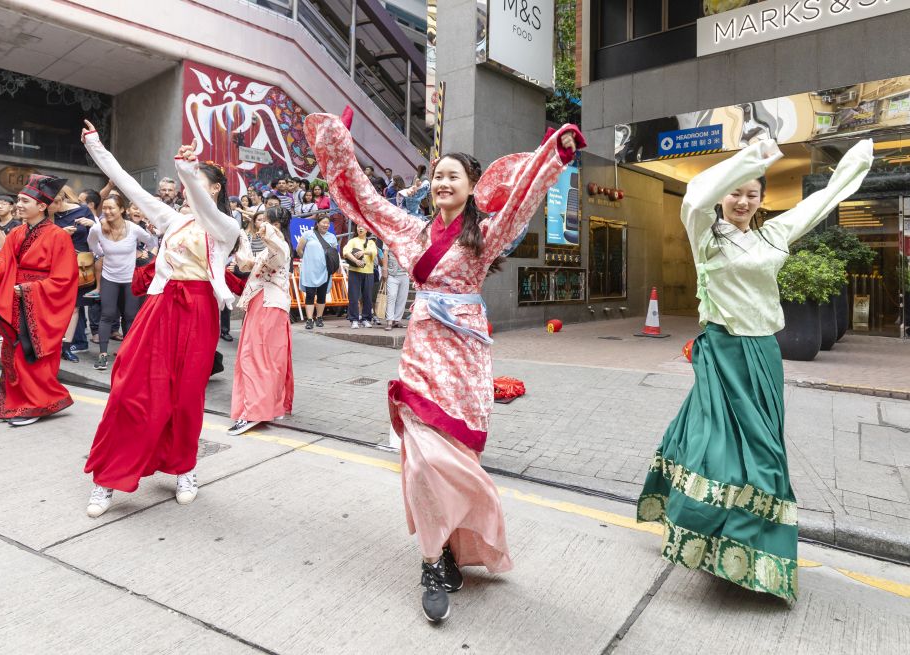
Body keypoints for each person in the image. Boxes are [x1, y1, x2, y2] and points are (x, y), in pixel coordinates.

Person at [305, 107, 584, 622]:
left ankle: (454, 547)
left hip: (465, 354)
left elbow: (522, 202)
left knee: (454, 456)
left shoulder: (487, 234)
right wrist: (337, 142)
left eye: (452, 175)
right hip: (419, 348)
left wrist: (554, 157)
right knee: (420, 457)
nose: (441, 182)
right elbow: (364, 198)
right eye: (436, 176)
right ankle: (431, 561)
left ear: (474, 186)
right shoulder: (410, 230)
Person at [636, 138, 873, 603]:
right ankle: (724, 541)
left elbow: (823, 200)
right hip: (722, 352)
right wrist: (752, 158)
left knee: (754, 447)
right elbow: (696, 195)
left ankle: (744, 549)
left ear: (763, 199)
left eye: (752, 194)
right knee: (719, 446)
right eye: (736, 192)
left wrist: (856, 161)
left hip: (764, 355)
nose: (743, 201)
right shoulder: (704, 234)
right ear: (724, 195)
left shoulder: (773, 235)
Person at [80, 121, 239, 518]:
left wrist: (188, 170)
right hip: (160, 308)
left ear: (214, 189)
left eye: (195, 182)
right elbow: (126, 185)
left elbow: (205, 210)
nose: (185, 191)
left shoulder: (226, 228)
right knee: (130, 391)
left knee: (186, 399)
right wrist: (96, 146)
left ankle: (184, 468)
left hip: (200, 312)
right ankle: (107, 478)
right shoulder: (171, 219)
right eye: (186, 182)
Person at [0, 175, 78, 426]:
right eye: (18, 200)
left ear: (42, 206)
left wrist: (31, 289)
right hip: (16, 297)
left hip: (39, 301)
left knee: (32, 353)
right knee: (13, 352)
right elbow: (3, 261)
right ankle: (25, 402)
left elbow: (64, 278)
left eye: (23, 201)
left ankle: (37, 404)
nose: (18, 204)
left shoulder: (58, 236)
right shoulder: (17, 232)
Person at [226, 206, 294, 435]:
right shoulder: (273, 248)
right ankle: (270, 407)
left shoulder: (280, 245)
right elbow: (247, 263)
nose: (260, 224)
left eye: (265, 220)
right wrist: (242, 236)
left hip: (268, 305)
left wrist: (259, 224)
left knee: (254, 357)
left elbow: (272, 241)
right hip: (266, 304)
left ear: (275, 224)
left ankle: (253, 412)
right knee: (269, 359)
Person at [87, 194, 157, 371]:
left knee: (130, 316)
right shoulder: (97, 229)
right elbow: (92, 244)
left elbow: (150, 242)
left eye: (112, 208)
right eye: (105, 208)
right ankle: (102, 355)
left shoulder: (133, 228)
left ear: (122, 210)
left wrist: (142, 254)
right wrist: (101, 253)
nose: (108, 211)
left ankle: (127, 354)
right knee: (107, 314)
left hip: (130, 279)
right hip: (109, 278)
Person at [52, 187, 98, 360]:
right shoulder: (46, 215)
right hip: (55, 264)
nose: (53, 207)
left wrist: (93, 225)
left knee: (75, 306)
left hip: (80, 264)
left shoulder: (82, 210)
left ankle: (66, 346)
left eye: (56, 203)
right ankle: (52, 343)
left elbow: (98, 236)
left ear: (62, 198)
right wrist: (59, 234)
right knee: (54, 305)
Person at [296, 215, 337, 329]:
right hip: (310, 270)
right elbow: (299, 249)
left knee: (321, 295)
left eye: (328, 223)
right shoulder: (308, 234)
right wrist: (306, 260)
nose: (326, 225)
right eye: (323, 222)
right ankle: (309, 319)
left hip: (325, 270)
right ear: (317, 223)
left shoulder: (332, 237)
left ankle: (319, 317)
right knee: (309, 294)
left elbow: (334, 254)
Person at [342, 224, 377, 329]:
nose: (360, 228)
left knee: (367, 296)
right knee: (353, 296)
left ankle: (366, 319)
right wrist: (356, 261)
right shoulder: (353, 241)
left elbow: (374, 252)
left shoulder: (371, 242)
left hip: (368, 272)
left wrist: (363, 252)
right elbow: (346, 252)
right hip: (354, 271)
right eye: (358, 227)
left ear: (367, 230)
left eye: (362, 227)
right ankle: (354, 319)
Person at [381, 245, 409, 331]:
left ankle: (397, 320)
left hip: (405, 273)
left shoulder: (407, 237)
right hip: (392, 273)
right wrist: (384, 269)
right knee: (391, 297)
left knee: (402, 298)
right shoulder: (389, 235)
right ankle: (390, 320)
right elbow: (385, 253)